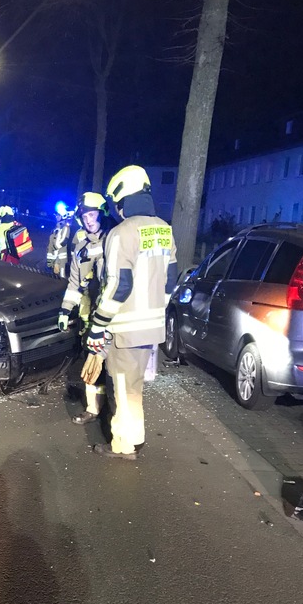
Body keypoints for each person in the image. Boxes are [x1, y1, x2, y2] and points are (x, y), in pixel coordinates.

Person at [86, 165, 177, 460]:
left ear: (123, 199)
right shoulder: (165, 230)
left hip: (124, 329)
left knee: (123, 390)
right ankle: (136, 437)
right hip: (152, 329)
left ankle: (123, 446)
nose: (117, 210)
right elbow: (170, 282)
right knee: (135, 387)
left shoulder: (120, 233)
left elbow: (118, 286)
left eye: (117, 204)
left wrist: (98, 324)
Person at [58, 192, 109, 424]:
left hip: (114, 317)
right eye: (84, 215)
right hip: (91, 315)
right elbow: (74, 283)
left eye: (92, 213)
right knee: (92, 362)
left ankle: (112, 410)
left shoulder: (114, 239)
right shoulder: (80, 246)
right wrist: (65, 310)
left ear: (102, 213)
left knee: (113, 367)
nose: (88, 219)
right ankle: (93, 409)